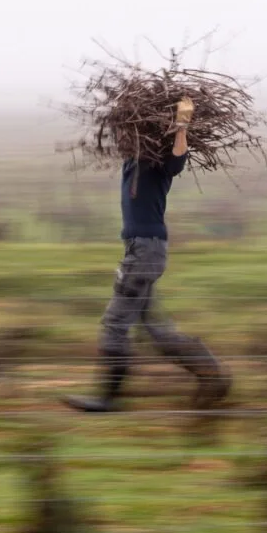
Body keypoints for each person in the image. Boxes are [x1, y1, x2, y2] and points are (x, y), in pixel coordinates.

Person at [60, 97, 231, 413]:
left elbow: (177, 161)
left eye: (128, 131)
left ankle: (107, 399)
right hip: (141, 249)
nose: (122, 137)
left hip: (146, 250)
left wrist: (181, 127)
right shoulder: (131, 162)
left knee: (115, 322)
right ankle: (211, 374)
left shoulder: (154, 163)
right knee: (154, 327)